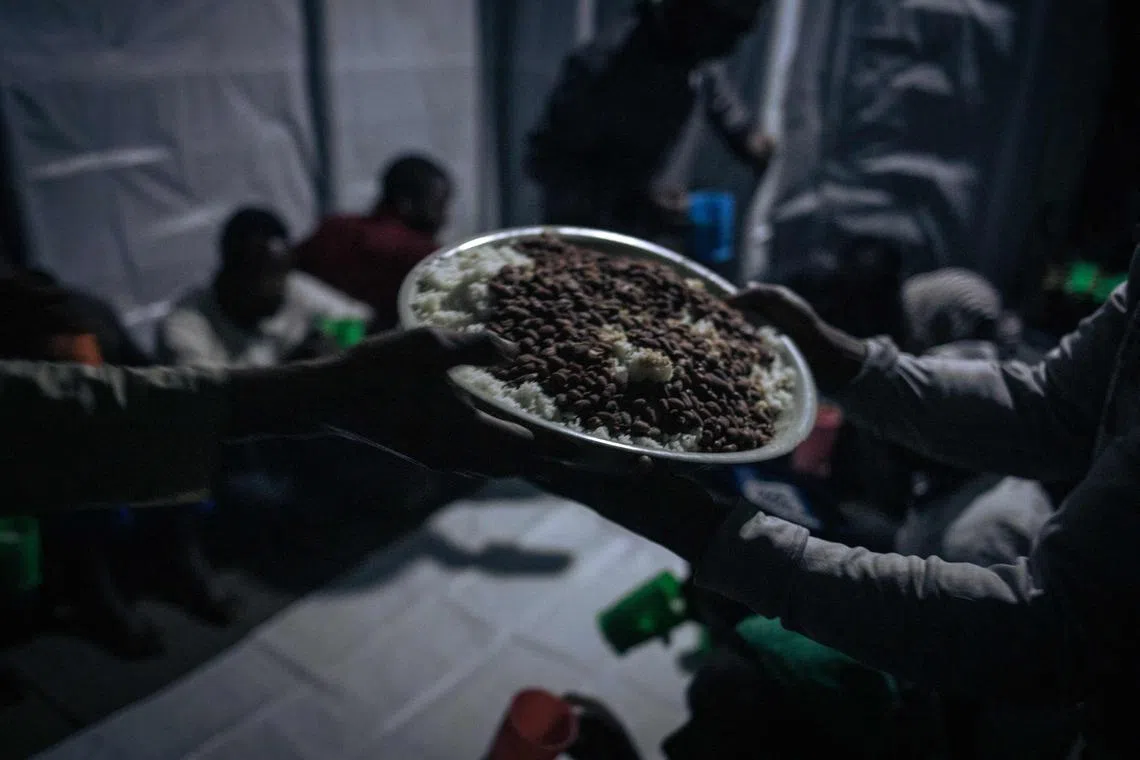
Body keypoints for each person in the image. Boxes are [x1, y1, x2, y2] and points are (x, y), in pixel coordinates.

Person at [530, 243, 1140, 757]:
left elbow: (1047, 636)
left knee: (736, 688)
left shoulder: (986, 531)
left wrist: (706, 531)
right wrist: (837, 360)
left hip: (992, 717)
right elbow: (1054, 406)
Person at [525, 0, 774, 245]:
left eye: (742, 31)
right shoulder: (602, 67)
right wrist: (633, 203)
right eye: (729, 29)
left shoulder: (693, 51)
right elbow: (547, 160)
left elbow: (716, 92)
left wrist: (746, 135)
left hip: (644, 236)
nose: (732, 47)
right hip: (583, 239)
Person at [157, 207, 371, 367]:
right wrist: (290, 370)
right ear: (229, 270)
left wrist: (334, 343)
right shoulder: (186, 322)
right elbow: (204, 395)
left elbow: (357, 322)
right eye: (257, 271)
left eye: (278, 270)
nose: (272, 284)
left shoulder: (293, 287)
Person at [295, 154, 452, 330]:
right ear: (405, 203)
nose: (444, 218)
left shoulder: (333, 229)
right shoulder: (424, 256)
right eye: (438, 206)